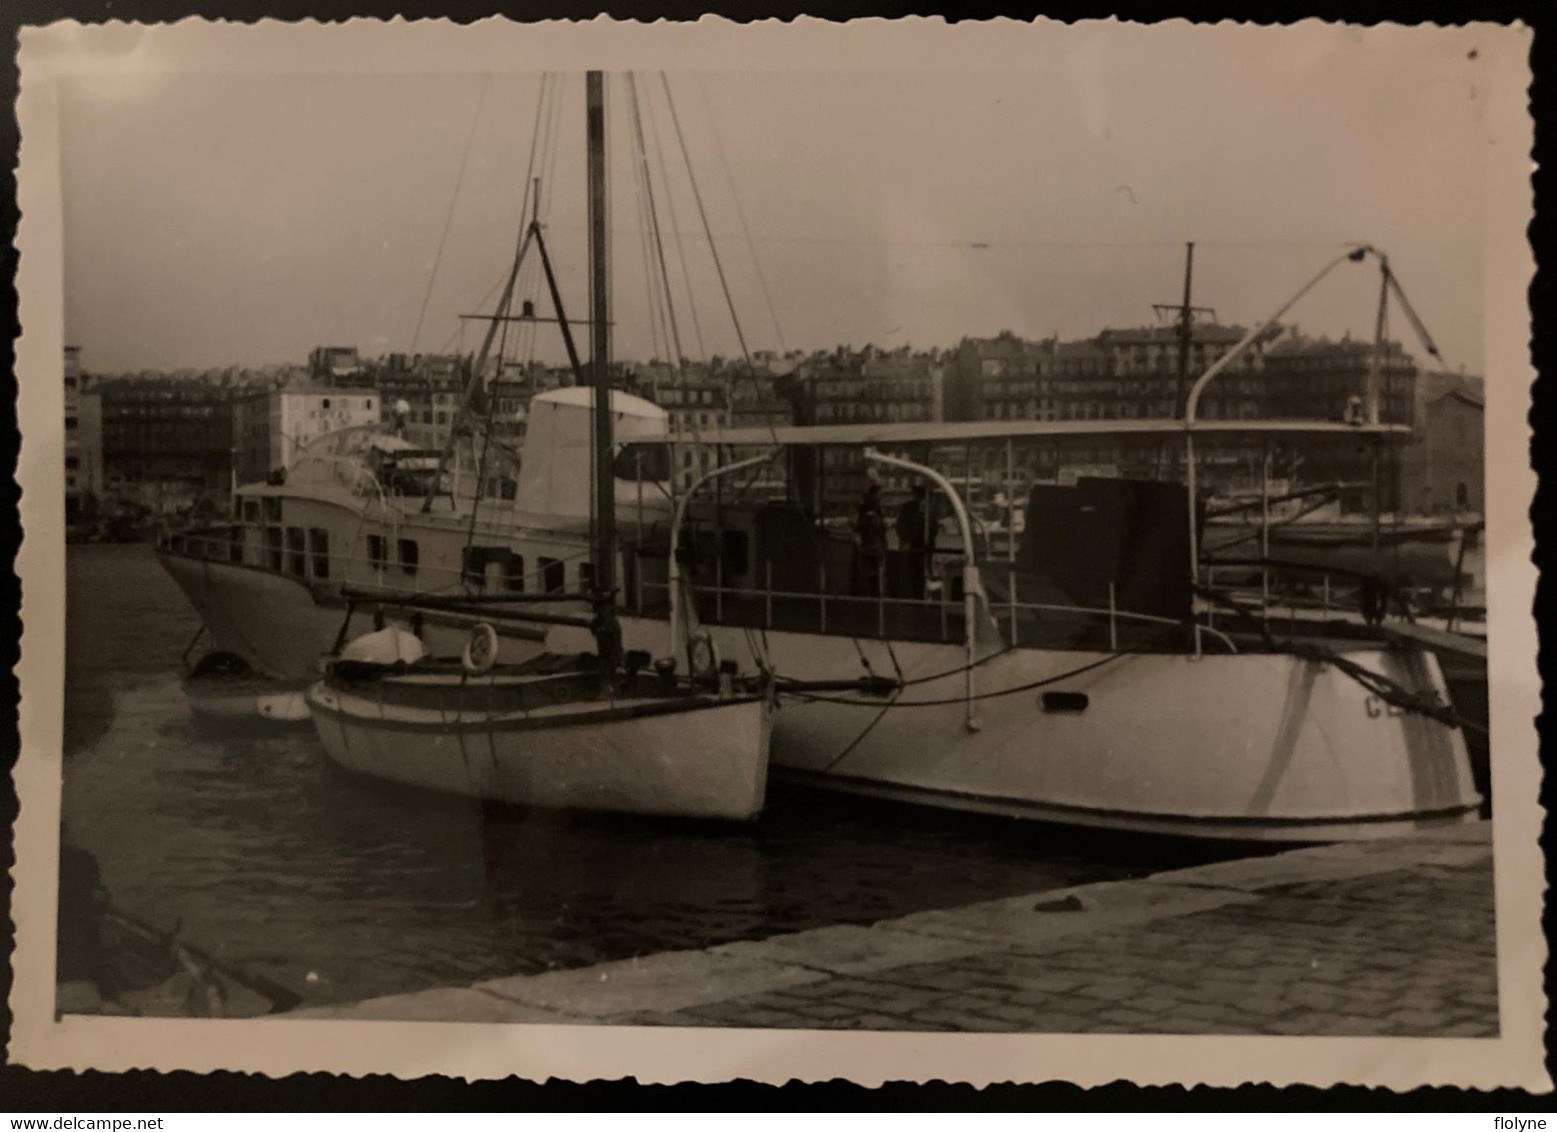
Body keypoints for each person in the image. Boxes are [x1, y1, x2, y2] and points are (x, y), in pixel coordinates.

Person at [895, 483, 934, 600]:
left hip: (924, 544)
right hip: (914, 544)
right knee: (912, 571)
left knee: (922, 569)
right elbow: (902, 526)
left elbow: (932, 528)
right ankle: (914, 594)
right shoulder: (909, 508)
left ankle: (920, 594)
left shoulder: (929, 510)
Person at [855, 481, 887, 598]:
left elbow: (859, 528)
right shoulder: (873, 514)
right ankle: (874, 595)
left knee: (870, 574)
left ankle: (871, 594)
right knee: (874, 574)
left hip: (869, 546)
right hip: (874, 546)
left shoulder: (868, 514)